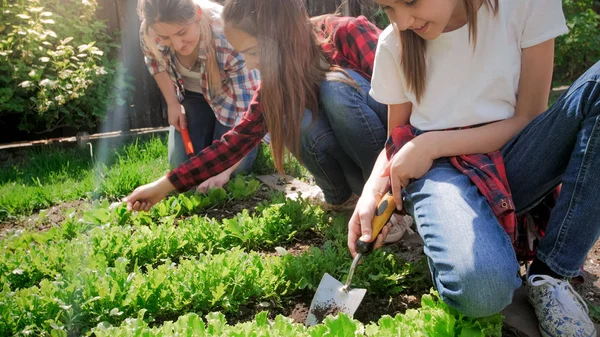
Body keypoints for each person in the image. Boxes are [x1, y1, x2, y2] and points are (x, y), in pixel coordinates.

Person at [348, 0, 599, 335]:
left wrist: (431, 143)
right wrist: (370, 192)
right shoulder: (395, 42)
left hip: (516, 155)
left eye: (410, 2)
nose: (403, 21)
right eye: (388, 8)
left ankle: (551, 273)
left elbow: (527, 117)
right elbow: (397, 138)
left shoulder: (526, 6)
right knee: (483, 292)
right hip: (441, 172)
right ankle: (452, 242)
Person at [126, 0, 413, 238]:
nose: (250, 64)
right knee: (289, 112)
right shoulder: (278, 78)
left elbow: (413, 99)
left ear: (279, 35)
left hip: (396, 162)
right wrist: (162, 187)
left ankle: (391, 207)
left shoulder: (348, 32)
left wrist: (395, 181)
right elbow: (234, 142)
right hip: (362, 173)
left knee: (335, 89)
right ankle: (343, 199)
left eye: (252, 52)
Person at [138, 0, 259, 193]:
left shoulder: (228, 36)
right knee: (180, 165)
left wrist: (225, 171)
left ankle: (249, 149)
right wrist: (172, 103)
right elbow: (154, 61)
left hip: (230, 100)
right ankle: (210, 130)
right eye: (166, 37)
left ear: (197, 14)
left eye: (181, 33)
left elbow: (248, 115)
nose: (177, 45)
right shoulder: (151, 32)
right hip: (193, 96)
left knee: (233, 170)